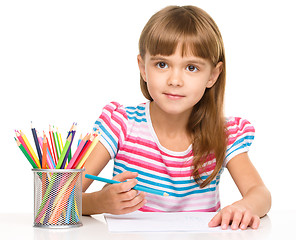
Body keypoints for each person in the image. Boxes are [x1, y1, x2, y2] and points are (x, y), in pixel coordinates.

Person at [82, 5, 271, 230]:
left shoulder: (224, 134)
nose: (175, 80)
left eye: (191, 67)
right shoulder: (121, 125)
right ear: (143, 68)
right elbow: (59, 198)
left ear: (212, 75)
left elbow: (260, 194)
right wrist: (98, 202)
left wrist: (244, 206)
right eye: (162, 64)